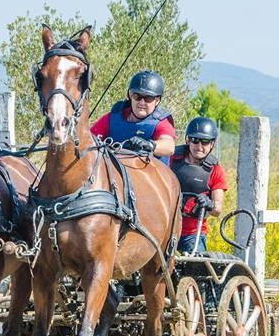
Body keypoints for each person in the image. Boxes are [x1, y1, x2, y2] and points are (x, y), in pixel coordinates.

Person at [90, 69, 175, 164]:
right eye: (137, 96)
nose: (142, 103)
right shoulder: (113, 117)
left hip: (148, 173)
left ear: (157, 100)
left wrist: (149, 145)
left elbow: (169, 146)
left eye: (148, 98)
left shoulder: (161, 122)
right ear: (130, 95)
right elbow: (90, 138)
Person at [170, 116, 228, 254]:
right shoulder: (171, 159)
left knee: (196, 270)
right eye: (195, 140)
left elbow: (218, 209)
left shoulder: (216, 171)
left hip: (192, 234)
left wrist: (209, 203)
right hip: (166, 229)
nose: (199, 146)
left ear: (212, 144)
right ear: (187, 140)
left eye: (205, 142)